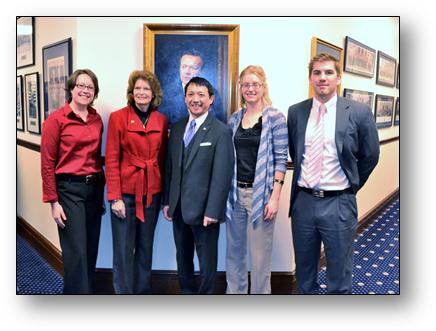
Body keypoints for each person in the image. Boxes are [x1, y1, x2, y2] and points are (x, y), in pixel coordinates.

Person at [287, 53, 380, 294]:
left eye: (328, 72)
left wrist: (350, 186)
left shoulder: (358, 112)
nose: (322, 77)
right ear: (310, 78)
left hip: (339, 203)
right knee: (304, 273)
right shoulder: (296, 112)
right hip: (303, 203)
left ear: (339, 77)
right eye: (317, 72)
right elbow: (296, 153)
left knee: (338, 276)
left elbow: (370, 155)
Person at [163, 77, 234, 294]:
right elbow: (170, 168)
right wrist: (167, 201)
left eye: (201, 95)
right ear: (185, 98)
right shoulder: (176, 129)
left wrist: (213, 210)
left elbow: (222, 175)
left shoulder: (220, 131)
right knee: (182, 259)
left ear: (211, 99)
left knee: (207, 264)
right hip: (178, 210)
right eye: (191, 94)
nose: (196, 99)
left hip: (205, 213)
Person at [225, 65, 288, 294]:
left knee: (260, 260)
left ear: (263, 87)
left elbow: (281, 159)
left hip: (261, 196)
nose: (250, 89)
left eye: (255, 84)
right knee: (234, 256)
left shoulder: (275, 118)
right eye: (246, 85)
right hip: (235, 196)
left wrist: (274, 198)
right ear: (240, 87)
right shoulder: (234, 119)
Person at [41, 69, 105, 294]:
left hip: (94, 189)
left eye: (90, 87)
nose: (85, 90)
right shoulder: (55, 120)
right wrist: (53, 202)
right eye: (81, 85)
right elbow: (47, 164)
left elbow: (95, 155)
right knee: (76, 253)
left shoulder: (97, 119)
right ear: (71, 88)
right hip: (69, 191)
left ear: (94, 92)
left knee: (90, 249)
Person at [105, 70, 168, 294]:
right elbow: (111, 159)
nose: (141, 93)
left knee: (145, 249)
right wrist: (115, 198)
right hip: (125, 196)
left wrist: (165, 198)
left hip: (151, 194)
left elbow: (162, 161)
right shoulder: (118, 117)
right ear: (132, 92)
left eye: (146, 89)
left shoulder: (161, 120)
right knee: (123, 251)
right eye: (138, 88)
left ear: (154, 94)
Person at [158, 50, 224, 127]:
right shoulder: (166, 94)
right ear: (180, 68)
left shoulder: (212, 93)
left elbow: (219, 124)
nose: (187, 72)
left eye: (193, 68)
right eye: (184, 66)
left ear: (201, 71)